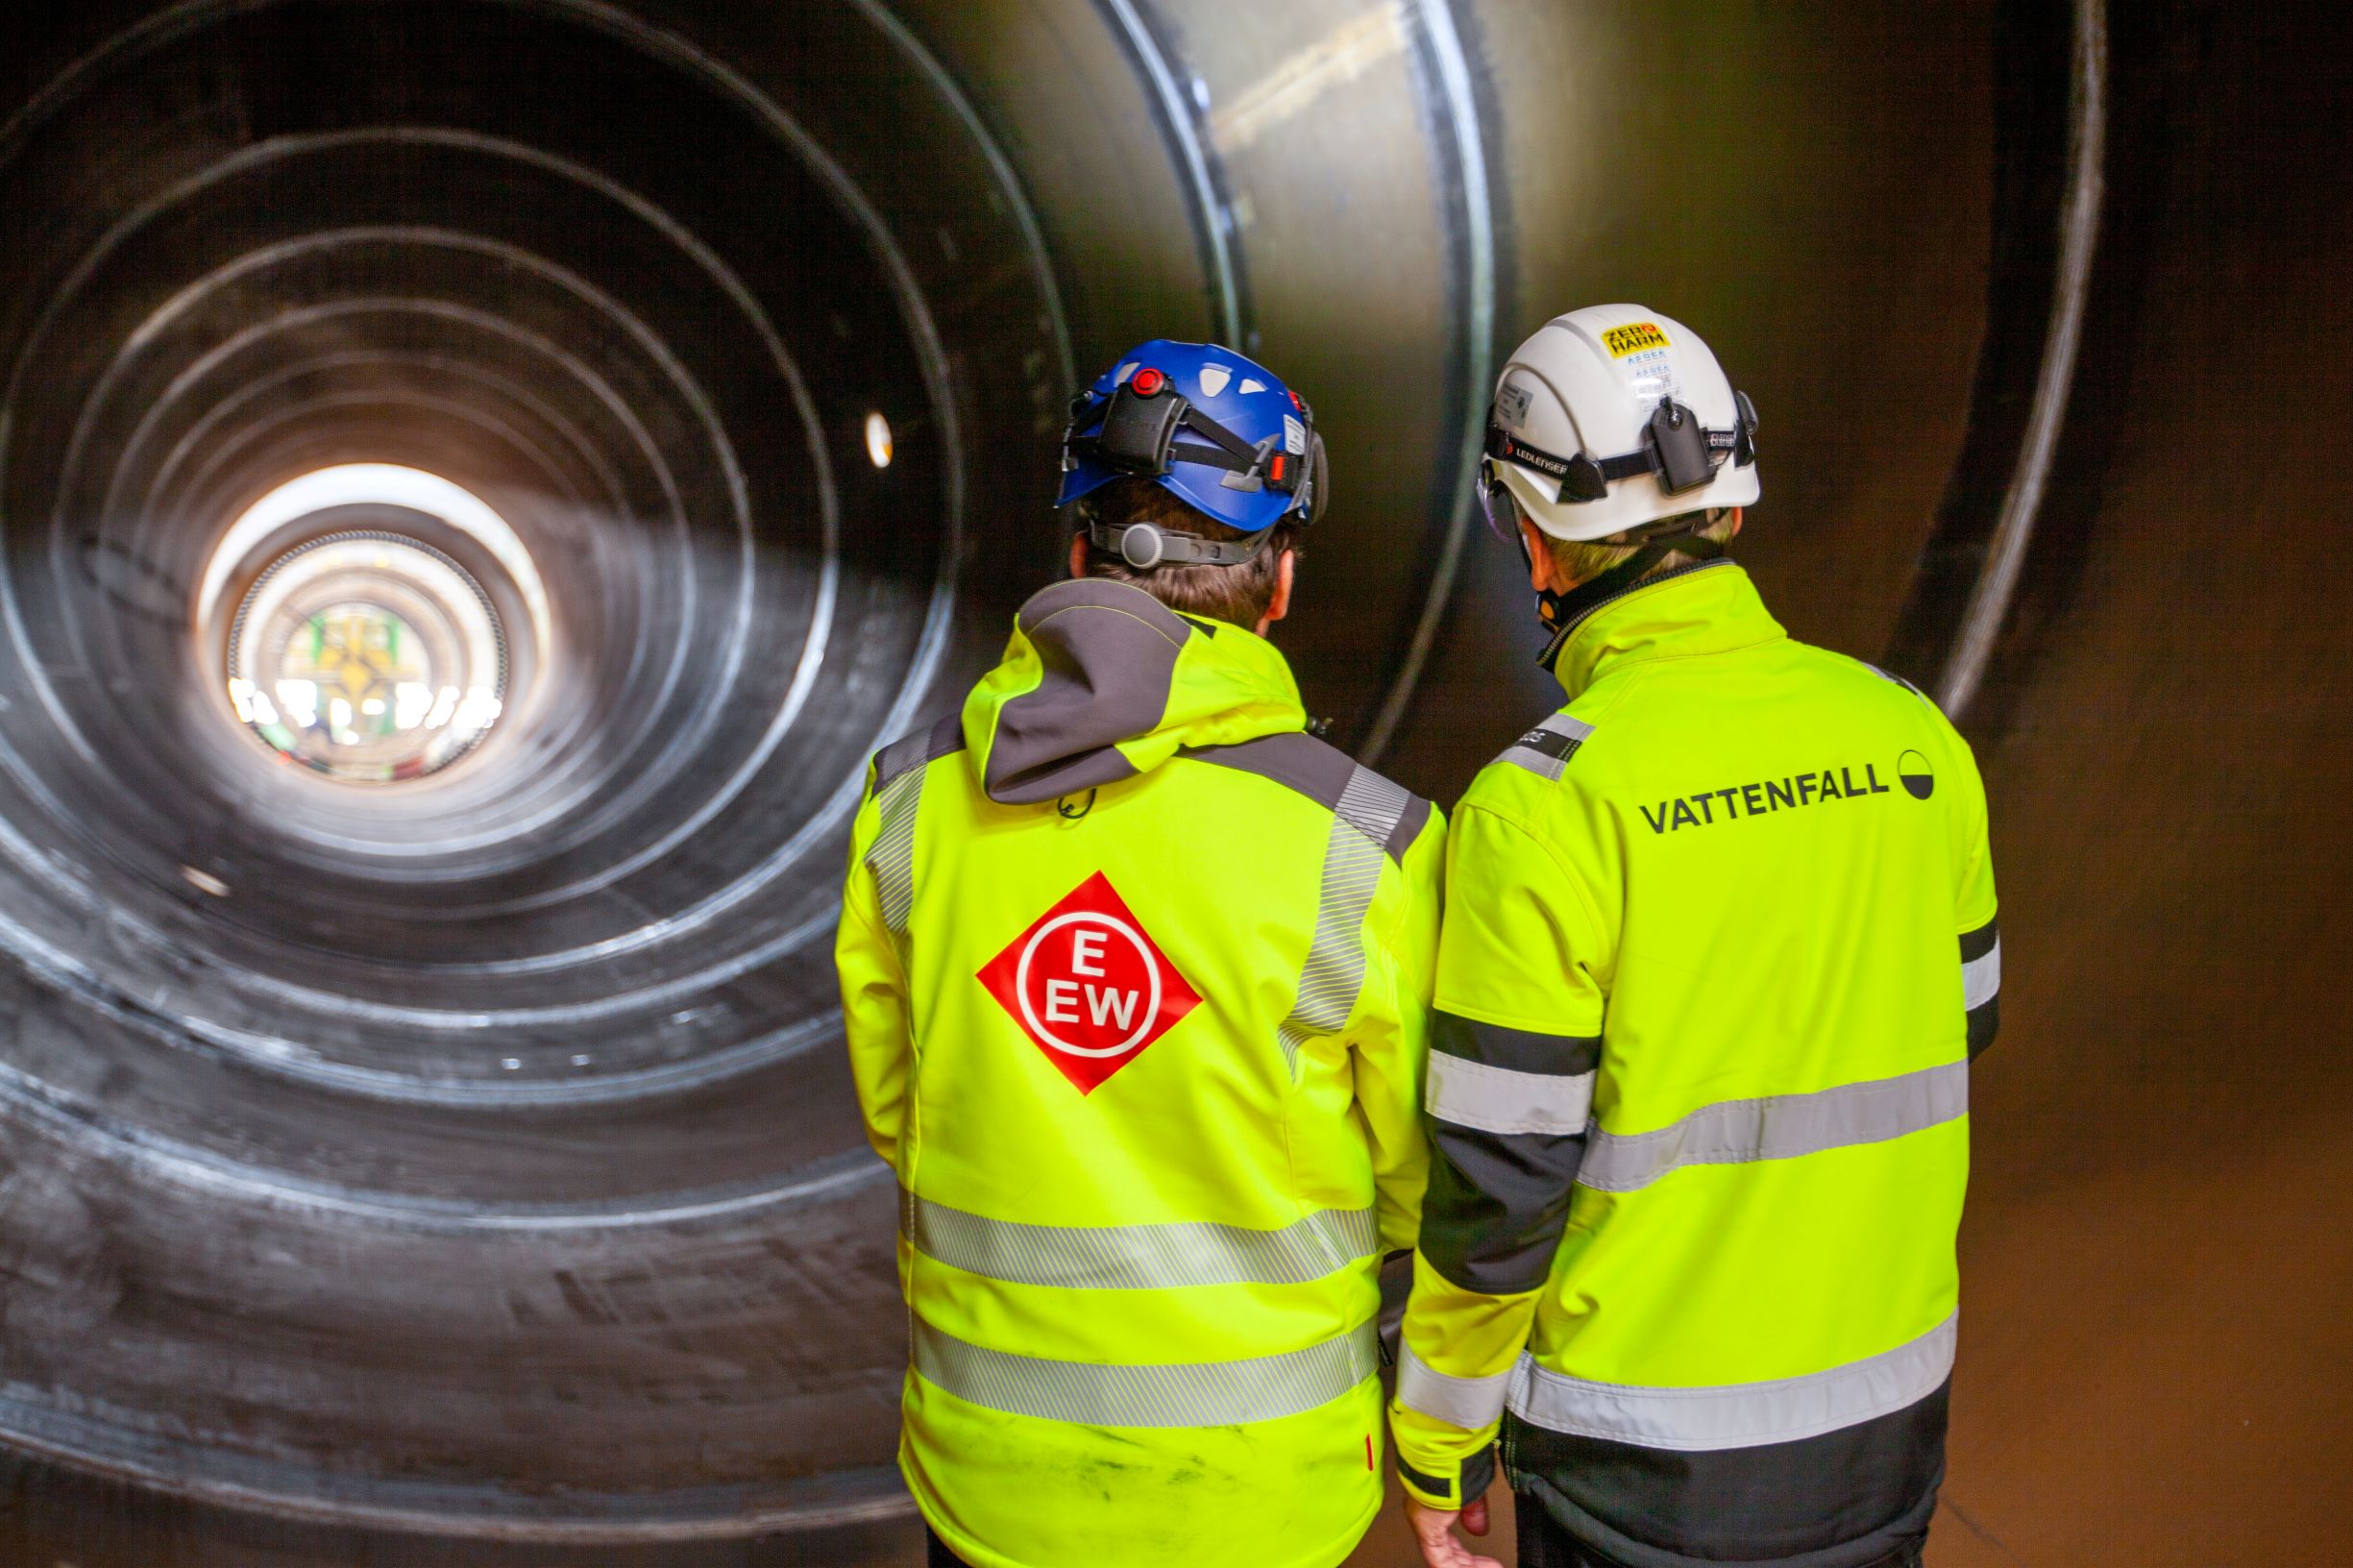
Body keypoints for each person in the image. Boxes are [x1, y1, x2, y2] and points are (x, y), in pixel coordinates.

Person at [1388, 306, 2000, 1568]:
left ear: (1531, 535)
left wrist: (1441, 1435)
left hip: (1642, 1461)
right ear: (1731, 504)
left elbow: (1501, 1188)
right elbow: (1963, 1022)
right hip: (1886, 1424)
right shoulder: (1911, 735)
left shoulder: (1542, 805)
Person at [837, 340, 1447, 1568]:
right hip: (1261, 1492)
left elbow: (904, 1111)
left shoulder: (910, 808)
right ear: (1280, 581)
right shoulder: (1368, 843)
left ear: (1077, 555)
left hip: (989, 1479)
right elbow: (1418, 1181)